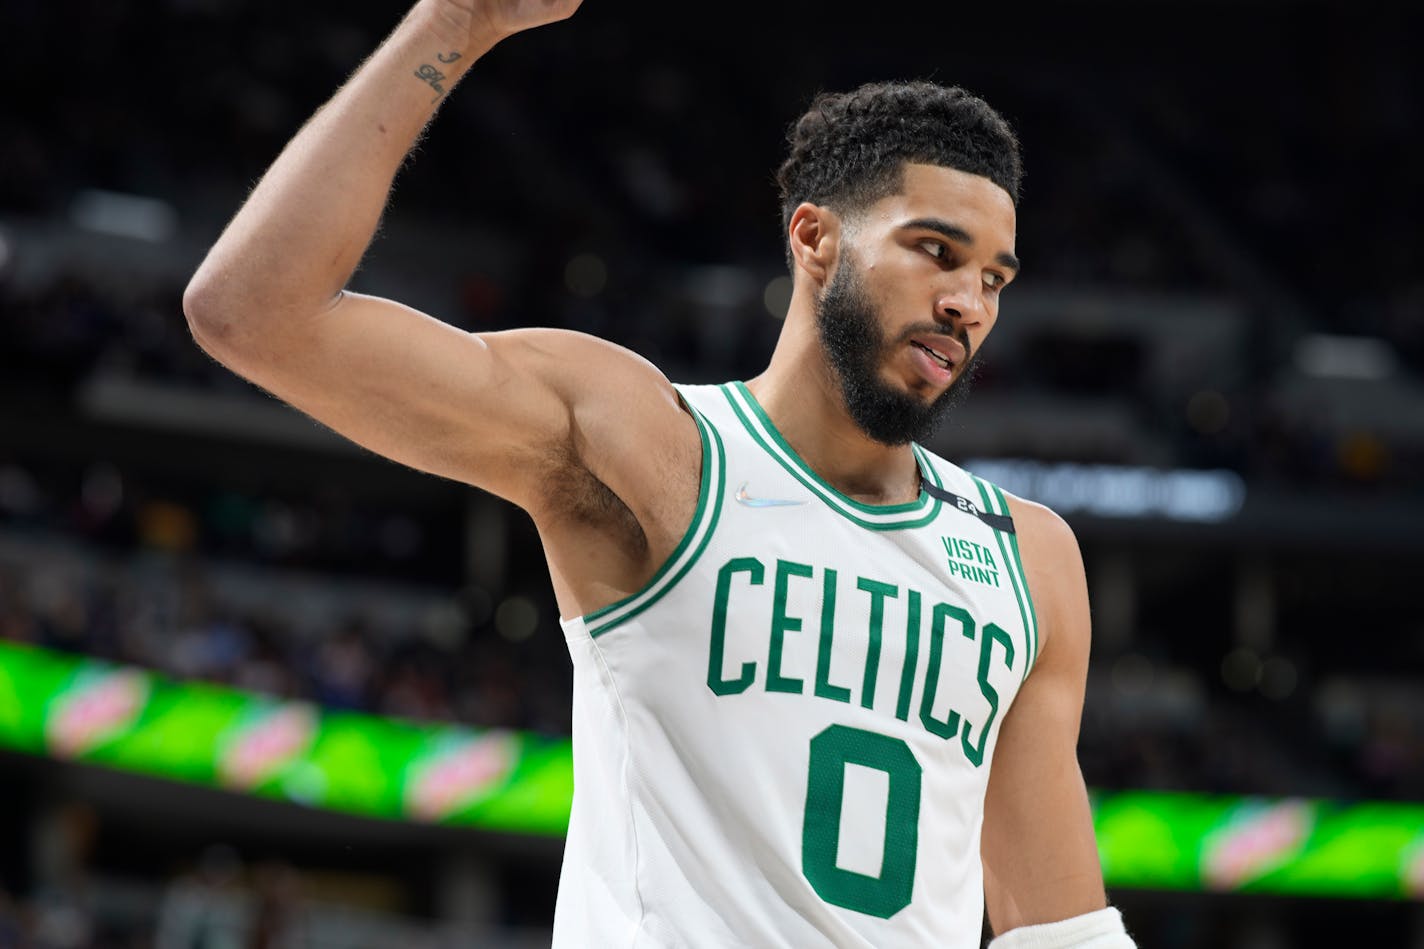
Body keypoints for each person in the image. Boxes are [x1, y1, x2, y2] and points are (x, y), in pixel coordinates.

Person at [183, 1, 1135, 945]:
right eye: (937, 251)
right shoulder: (656, 448)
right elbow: (256, 313)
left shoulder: (1027, 556)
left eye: (995, 280)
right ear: (814, 239)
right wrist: (455, 20)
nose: (968, 302)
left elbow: (1060, 934)